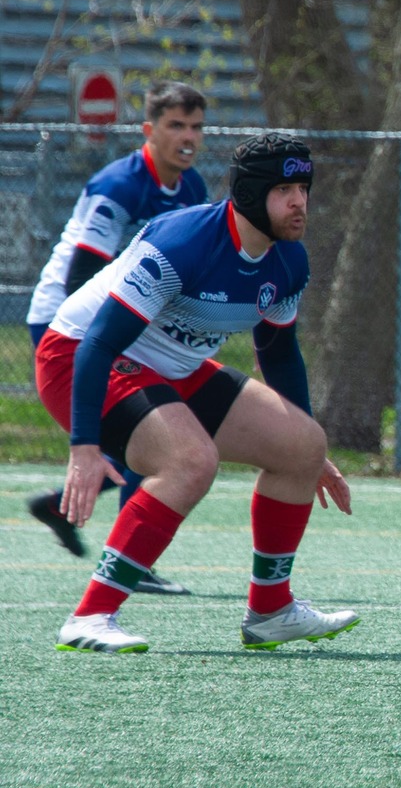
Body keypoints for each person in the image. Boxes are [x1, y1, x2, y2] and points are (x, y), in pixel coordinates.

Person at [42, 132, 357, 655]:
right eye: (285, 189)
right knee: (191, 461)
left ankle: (271, 610)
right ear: (252, 195)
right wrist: (84, 447)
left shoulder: (289, 262)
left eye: (304, 187)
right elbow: (99, 342)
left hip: (171, 366)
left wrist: (307, 449)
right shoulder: (181, 243)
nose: (300, 201)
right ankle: (90, 615)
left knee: (303, 444)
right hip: (76, 357)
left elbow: (278, 352)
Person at [25, 81, 210, 584]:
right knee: (149, 431)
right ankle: (131, 557)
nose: (187, 137)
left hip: (127, 323)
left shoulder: (191, 188)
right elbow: (81, 275)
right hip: (66, 320)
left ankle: (69, 514)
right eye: (175, 125)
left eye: (195, 126)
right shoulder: (120, 187)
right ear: (149, 131)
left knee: (153, 431)